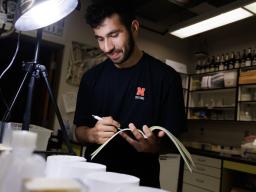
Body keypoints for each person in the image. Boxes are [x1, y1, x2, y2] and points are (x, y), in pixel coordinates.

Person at [74, 0, 186, 188]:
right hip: (93, 182)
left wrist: (154, 146)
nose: (107, 47)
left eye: (114, 35)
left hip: (141, 183)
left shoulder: (165, 78)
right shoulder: (90, 78)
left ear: (134, 27)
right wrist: (92, 134)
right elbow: (78, 131)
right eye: (100, 38)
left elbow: (175, 141)